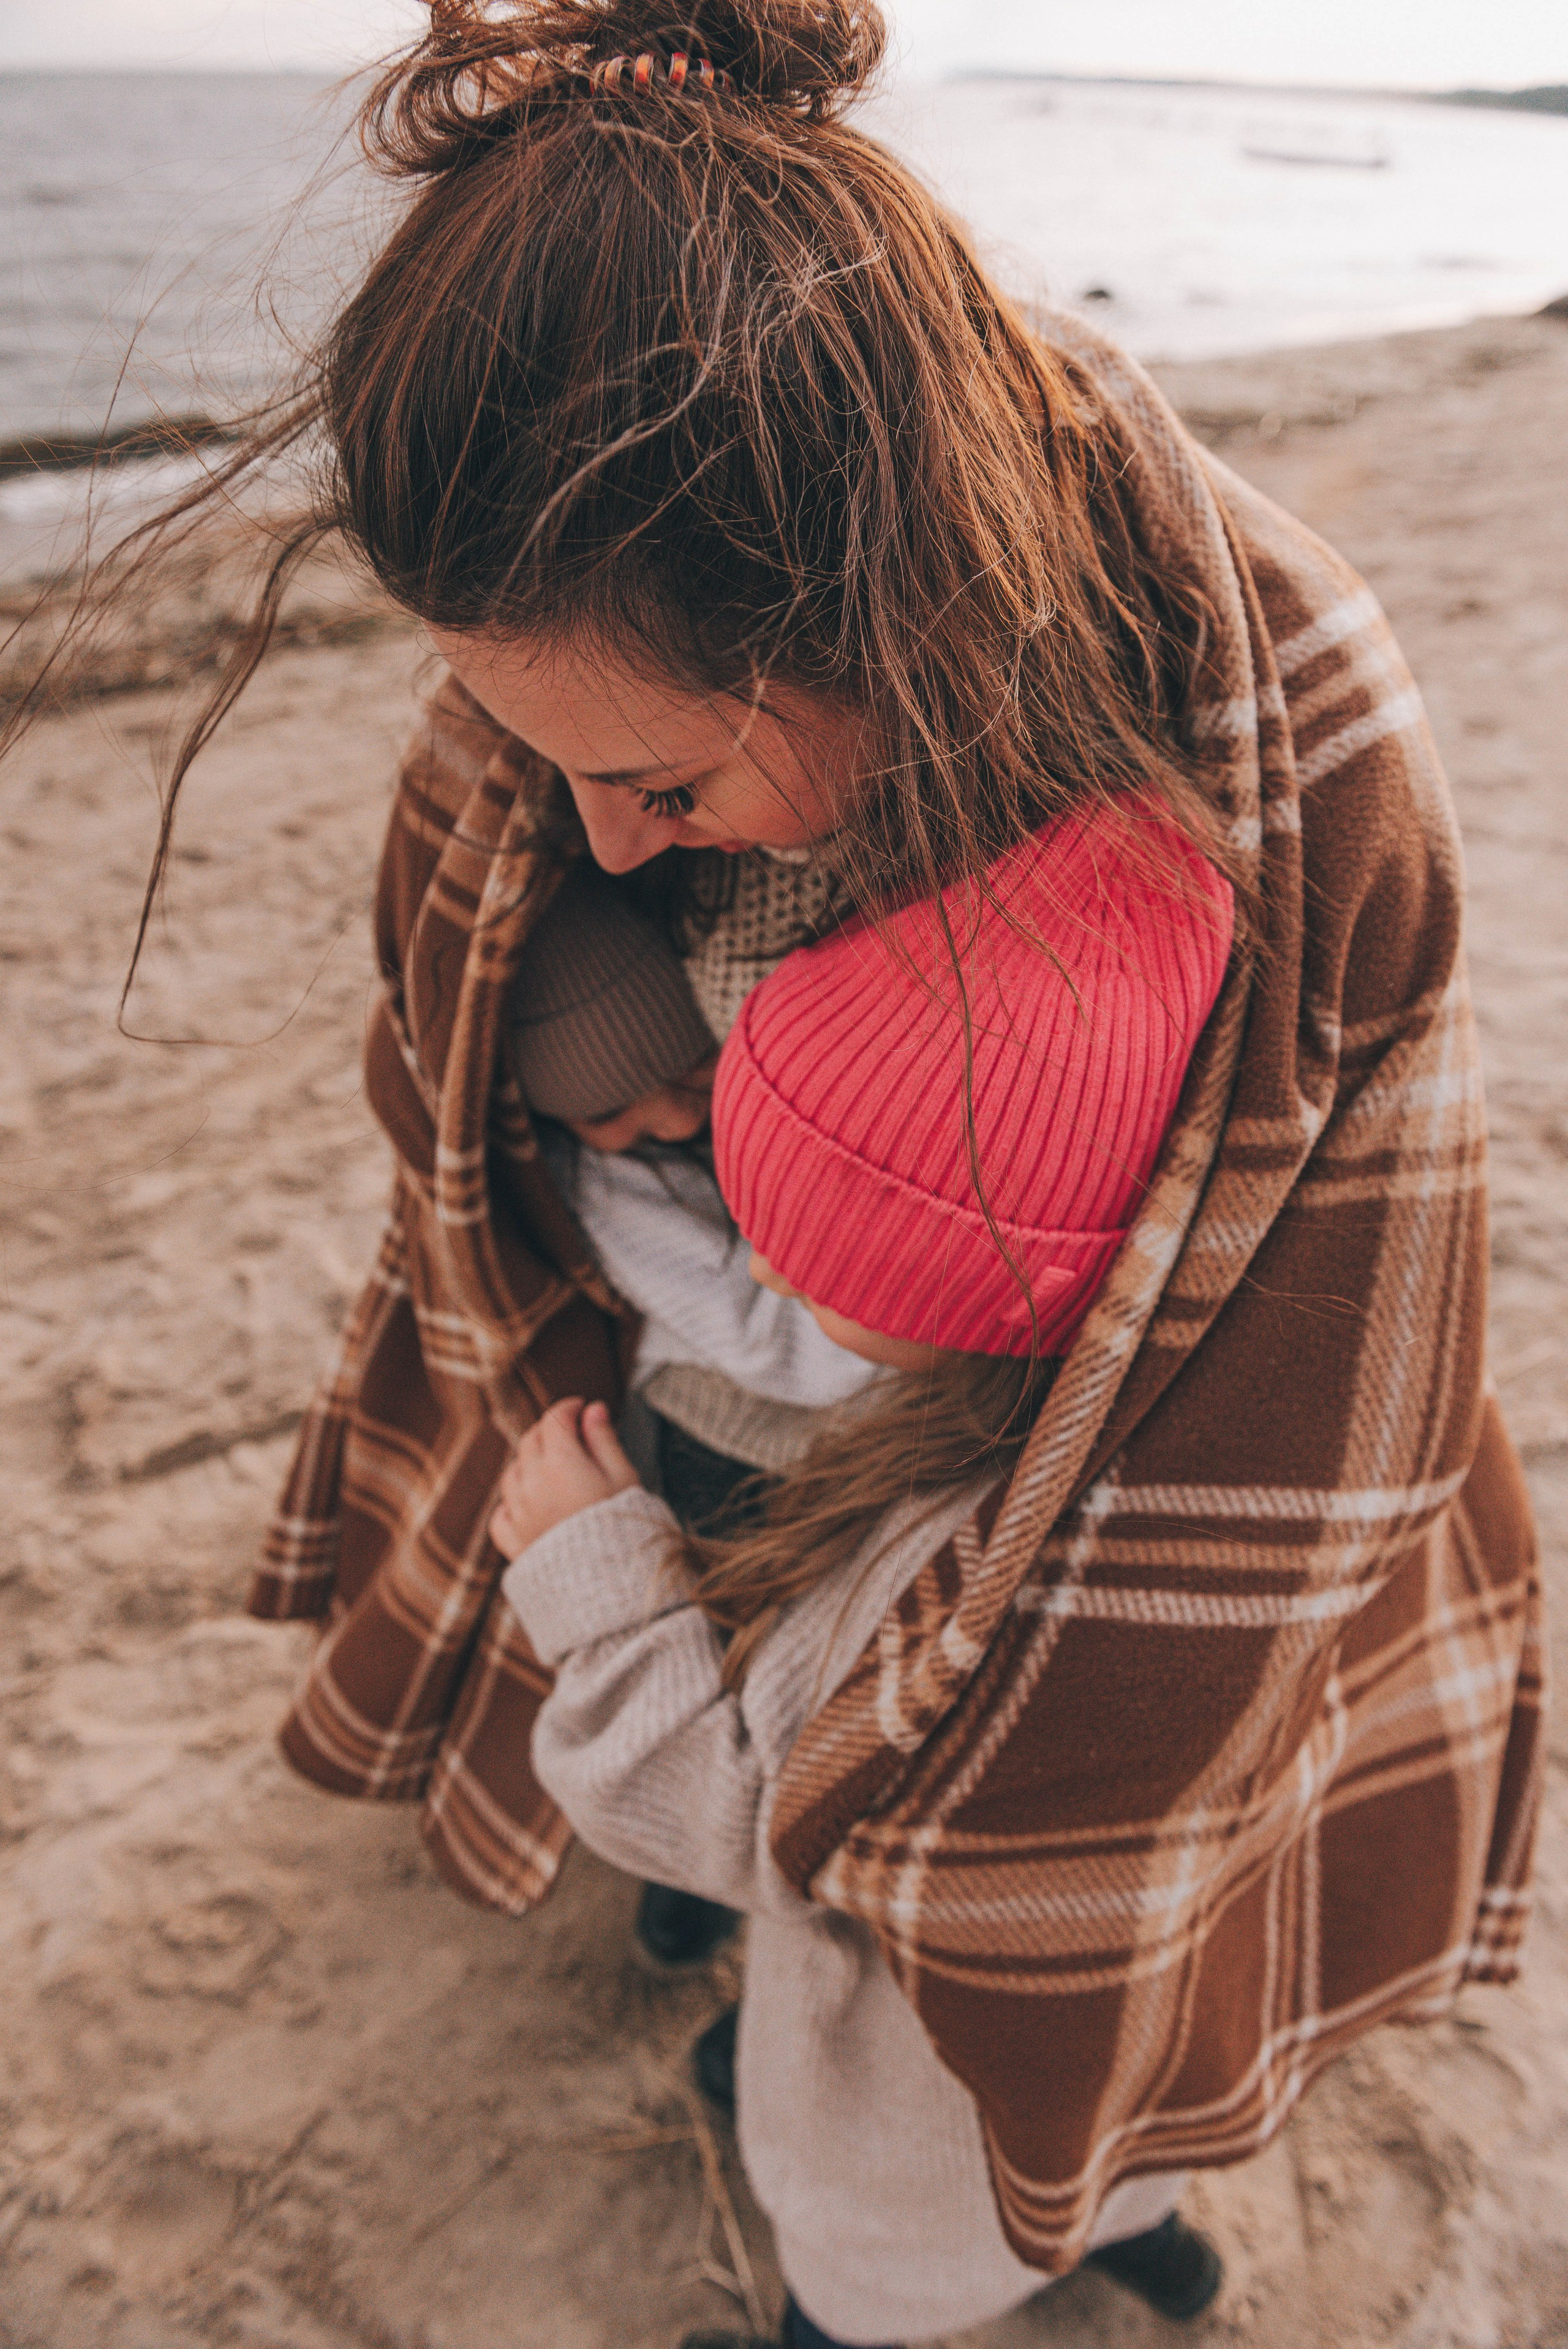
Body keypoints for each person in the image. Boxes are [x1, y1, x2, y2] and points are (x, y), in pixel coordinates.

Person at [56, 0, 1540, 2334]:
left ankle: (992, 2175)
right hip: (705, 1442)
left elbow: (1279, 1405)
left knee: (908, 1868)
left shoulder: (1251, 758)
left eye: (663, 783)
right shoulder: (597, 615)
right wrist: (585, 1017)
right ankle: (731, 1929)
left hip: (939, 1491)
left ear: (899, 626)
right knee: (710, 1649)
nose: (596, 832)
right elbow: (497, 950)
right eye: (543, 755)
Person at [491, 807, 1235, 2345]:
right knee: (1109, 2159)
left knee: (872, 2266)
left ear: (965, 1275)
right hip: (1127, 2043)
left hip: (920, 2101)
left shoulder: (915, 1560)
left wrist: (592, 1575)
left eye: (815, 1243)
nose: (764, 1265)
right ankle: (1156, 2250)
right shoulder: (1168, 1447)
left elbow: (740, 1816)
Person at [508, 856, 877, 1964]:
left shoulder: (760, 1104)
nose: (668, 1116)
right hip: (719, 1427)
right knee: (717, 1634)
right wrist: (901, 1319)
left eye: (686, 1072)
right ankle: (689, 1873)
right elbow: (769, 1345)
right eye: (613, 1111)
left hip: (838, 1405)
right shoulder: (607, 1185)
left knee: (815, 1648)